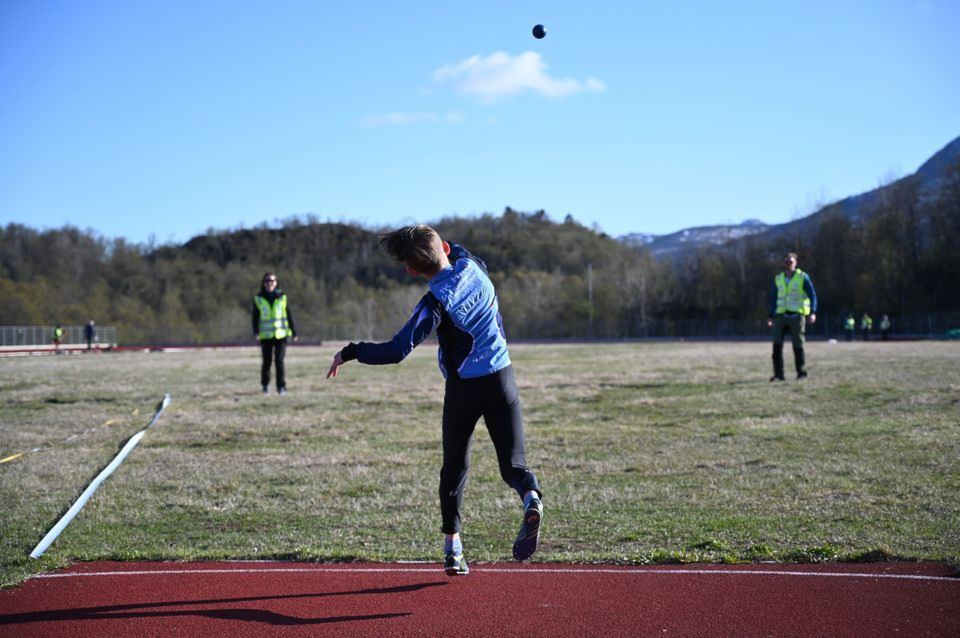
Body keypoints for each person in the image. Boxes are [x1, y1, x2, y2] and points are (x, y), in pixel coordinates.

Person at [326, 225, 543, 576]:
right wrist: (426, 241)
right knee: (514, 466)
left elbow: (397, 350)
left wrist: (350, 352)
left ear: (411, 270)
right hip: (502, 379)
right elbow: (452, 248)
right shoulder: (473, 266)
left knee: (455, 469)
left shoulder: (434, 302)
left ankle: (452, 549)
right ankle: (531, 498)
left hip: (463, 391)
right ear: (444, 246)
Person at [767, 252, 817, 381]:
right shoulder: (778, 279)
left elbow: (812, 295)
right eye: (786, 262)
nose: (789, 264)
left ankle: (801, 373)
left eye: (791, 261)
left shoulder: (802, 277)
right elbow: (773, 298)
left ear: (796, 263)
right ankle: (779, 374)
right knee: (776, 345)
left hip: (797, 316)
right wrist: (771, 316)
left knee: (798, 344)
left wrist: (812, 312)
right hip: (780, 316)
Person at [252, 272, 298, 395]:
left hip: (281, 335)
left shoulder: (282, 297)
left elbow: (289, 315)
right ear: (263, 283)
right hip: (266, 336)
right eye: (267, 281)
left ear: (276, 282)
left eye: (272, 280)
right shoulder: (258, 299)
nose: (270, 283)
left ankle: (281, 387)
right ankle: (265, 386)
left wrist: (294, 332)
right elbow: (255, 318)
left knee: (279, 361)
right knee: (266, 362)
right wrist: (255, 332)